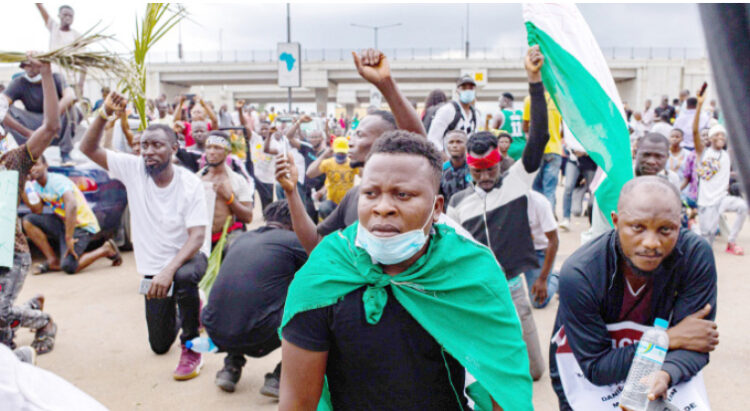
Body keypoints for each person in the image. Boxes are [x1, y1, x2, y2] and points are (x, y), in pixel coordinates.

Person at [279, 132, 533, 411]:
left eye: (403, 195)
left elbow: (506, 390)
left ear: (436, 208)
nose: (384, 208)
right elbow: (298, 403)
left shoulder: (471, 273)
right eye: (370, 193)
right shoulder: (324, 277)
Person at [550, 176, 718, 411]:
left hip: (661, 371)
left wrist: (666, 374)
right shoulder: (581, 273)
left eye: (665, 230)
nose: (651, 242)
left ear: (680, 227)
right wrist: (669, 338)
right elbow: (596, 368)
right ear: (616, 222)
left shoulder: (694, 256)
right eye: (637, 227)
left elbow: (698, 342)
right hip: (585, 379)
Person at [80, 92, 209, 381]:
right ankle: (193, 307)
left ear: (174, 148)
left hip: (188, 256)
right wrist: (103, 115)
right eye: (144, 145)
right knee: (159, 345)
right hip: (153, 268)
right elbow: (88, 148)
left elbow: (198, 237)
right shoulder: (133, 169)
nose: (148, 151)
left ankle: (191, 347)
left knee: (185, 278)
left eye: (157, 145)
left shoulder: (189, 184)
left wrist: (169, 271)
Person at [447, 46, 550, 381]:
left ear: (498, 161)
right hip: (475, 291)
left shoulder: (517, 182)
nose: (486, 177)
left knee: (535, 371)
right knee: (476, 372)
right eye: (478, 172)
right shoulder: (458, 204)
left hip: (512, 286)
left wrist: (534, 80)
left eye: (490, 168)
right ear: (468, 171)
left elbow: (540, 138)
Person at [274, 49, 428, 255]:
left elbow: (417, 145)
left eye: (360, 135)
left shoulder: (410, 190)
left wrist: (386, 85)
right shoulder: (354, 196)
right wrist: (291, 192)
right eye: (352, 134)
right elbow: (316, 243)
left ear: (386, 141)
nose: (350, 141)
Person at [202, 200, 307, 396]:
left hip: (214, 328)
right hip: (257, 335)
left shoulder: (240, 239)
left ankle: (231, 367)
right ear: (295, 223)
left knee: (248, 295)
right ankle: (281, 376)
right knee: (316, 305)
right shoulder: (293, 240)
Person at [0, 55, 59, 357]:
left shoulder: (11, 162)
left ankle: (43, 321)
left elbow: (50, 127)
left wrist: (46, 75)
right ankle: (27, 309)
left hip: (10, 254)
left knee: (0, 312)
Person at [22, 156, 121, 274]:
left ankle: (105, 249)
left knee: (69, 266)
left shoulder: (56, 181)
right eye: (29, 167)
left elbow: (72, 205)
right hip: (64, 223)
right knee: (28, 220)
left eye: (36, 164)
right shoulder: (35, 186)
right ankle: (52, 260)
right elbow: (37, 210)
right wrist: (22, 184)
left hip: (81, 225)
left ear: (46, 165)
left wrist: (68, 237)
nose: (32, 169)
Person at [693, 89, 745, 254]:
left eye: (723, 136)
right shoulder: (704, 152)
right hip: (706, 202)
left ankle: (731, 241)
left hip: (721, 199)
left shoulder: (726, 154)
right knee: (707, 237)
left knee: (743, 207)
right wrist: (699, 106)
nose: (721, 138)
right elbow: (695, 131)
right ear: (712, 137)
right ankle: (695, 230)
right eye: (718, 136)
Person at [2, 60, 78, 163]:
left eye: (33, 66)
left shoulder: (56, 78)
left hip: (56, 122)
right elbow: (2, 104)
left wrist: (49, 120)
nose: (29, 69)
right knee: (4, 111)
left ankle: (65, 153)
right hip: (32, 123)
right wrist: (28, 133)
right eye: (26, 66)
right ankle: (23, 152)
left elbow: (70, 96)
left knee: (72, 109)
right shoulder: (19, 82)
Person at [197, 131, 254, 249]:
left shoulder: (237, 181)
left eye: (217, 148)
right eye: (209, 147)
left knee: (238, 248)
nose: (212, 152)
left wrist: (230, 199)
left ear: (228, 152)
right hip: (199, 238)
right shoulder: (196, 180)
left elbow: (248, 217)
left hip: (227, 237)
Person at [523, 72, 563, 214]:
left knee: (535, 190)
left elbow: (525, 126)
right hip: (555, 150)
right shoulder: (558, 100)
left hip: (537, 151)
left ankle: (538, 222)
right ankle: (550, 221)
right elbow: (562, 129)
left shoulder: (529, 100)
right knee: (550, 190)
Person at [35, 4, 85, 97]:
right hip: (54, 77)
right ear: (59, 16)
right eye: (65, 15)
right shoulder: (54, 28)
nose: (68, 17)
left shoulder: (77, 36)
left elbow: (84, 63)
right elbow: (41, 9)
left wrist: (81, 84)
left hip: (70, 80)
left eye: (70, 16)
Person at [306, 137, 359, 219]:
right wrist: (323, 156)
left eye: (343, 153)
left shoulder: (352, 163)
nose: (340, 155)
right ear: (333, 151)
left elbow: (364, 175)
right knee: (324, 208)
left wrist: (357, 157)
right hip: (331, 202)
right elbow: (309, 173)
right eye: (338, 152)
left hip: (347, 202)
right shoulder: (328, 163)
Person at [426, 74, 478, 152]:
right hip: (447, 160)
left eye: (471, 88)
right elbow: (432, 138)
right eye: (464, 88)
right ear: (457, 90)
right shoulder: (447, 110)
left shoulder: (475, 115)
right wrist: (444, 158)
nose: (468, 91)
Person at [525, 190, 559, 309]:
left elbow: (554, 241)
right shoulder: (499, 199)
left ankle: (556, 277)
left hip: (539, 250)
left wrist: (542, 278)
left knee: (538, 302)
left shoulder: (539, 203)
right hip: (516, 250)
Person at [559, 129, 597, 231]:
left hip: (590, 162)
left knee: (592, 191)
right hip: (573, 160)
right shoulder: (570, 123)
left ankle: (593, 224)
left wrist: (585, 152)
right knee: (568, 187)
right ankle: (566, 219)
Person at [439, 129, 471, 207]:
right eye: (451, 142)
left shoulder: (474, 168)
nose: (454, 145)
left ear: (467, 145)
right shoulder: (441, 170)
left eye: (459, 142)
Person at [494, 92, 526, 161]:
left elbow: (492, 134)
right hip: (523, 149)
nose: (498, 105)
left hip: (508, 150)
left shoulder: (500, 115)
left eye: (500, 102)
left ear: (505, 101)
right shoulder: (522, 113)